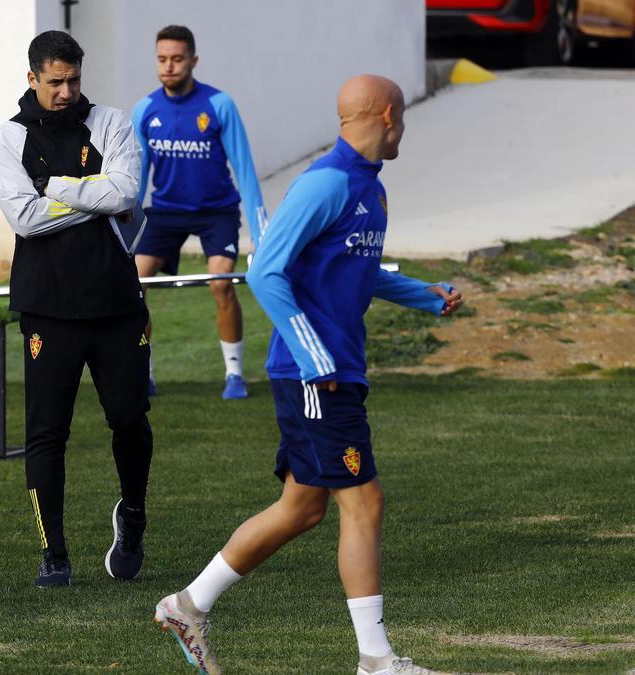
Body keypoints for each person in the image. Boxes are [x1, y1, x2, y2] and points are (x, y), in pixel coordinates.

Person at [153, 75, 462, 675]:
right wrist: (314, 352)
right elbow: (264, 271)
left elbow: (357, 271)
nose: (405, 127)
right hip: (314, 375)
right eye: (403, 117)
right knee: (364, 502)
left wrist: (426, 296)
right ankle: (376, 662)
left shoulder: (371, 190)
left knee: (301, 508)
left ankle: (187, 605)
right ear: (388, 114)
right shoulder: (325, 183)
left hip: (328, 369)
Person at [0, 30, 152, 588]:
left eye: (74, 80)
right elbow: (24, 221)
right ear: (32, 79)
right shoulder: (7, 138)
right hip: (47, 303)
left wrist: (55, 186)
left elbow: (127, 193)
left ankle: (132, 514)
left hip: (115, 299)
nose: (66, 91)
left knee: (129, 417)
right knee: (47, 431)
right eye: (55, 81)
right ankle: (53, 552)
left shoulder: (111, 122)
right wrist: (95, 195)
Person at [131, 25, 267, 400]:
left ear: (193, 60)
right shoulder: (145, 110)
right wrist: (122, 235)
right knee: (132, 286)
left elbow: (245, 171)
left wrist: (261, 235)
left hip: (216, 212)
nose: (169, 67)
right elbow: (137, 181)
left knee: (221, 283)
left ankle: (234, 375)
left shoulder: (219, 105)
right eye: (162, 60)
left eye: (177, 59)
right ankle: (143, 373)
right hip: (167, 213)